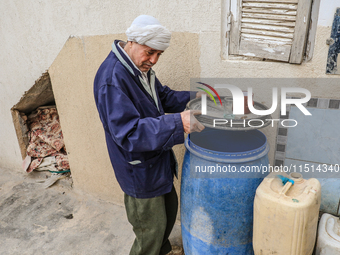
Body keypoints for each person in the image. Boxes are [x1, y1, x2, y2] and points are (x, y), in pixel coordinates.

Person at [93, 15, 204, 255]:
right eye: (150, 52)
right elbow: (129, 133)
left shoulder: (137, 68)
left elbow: (161, 97)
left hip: (156, 162)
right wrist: (179, 122)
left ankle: (161, 250)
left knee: (166, 215)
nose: (153, 60)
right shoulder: (113, 79)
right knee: (149, 233)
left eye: (159, 55)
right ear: (132, 41)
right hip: (139, 170)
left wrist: (196, 97)